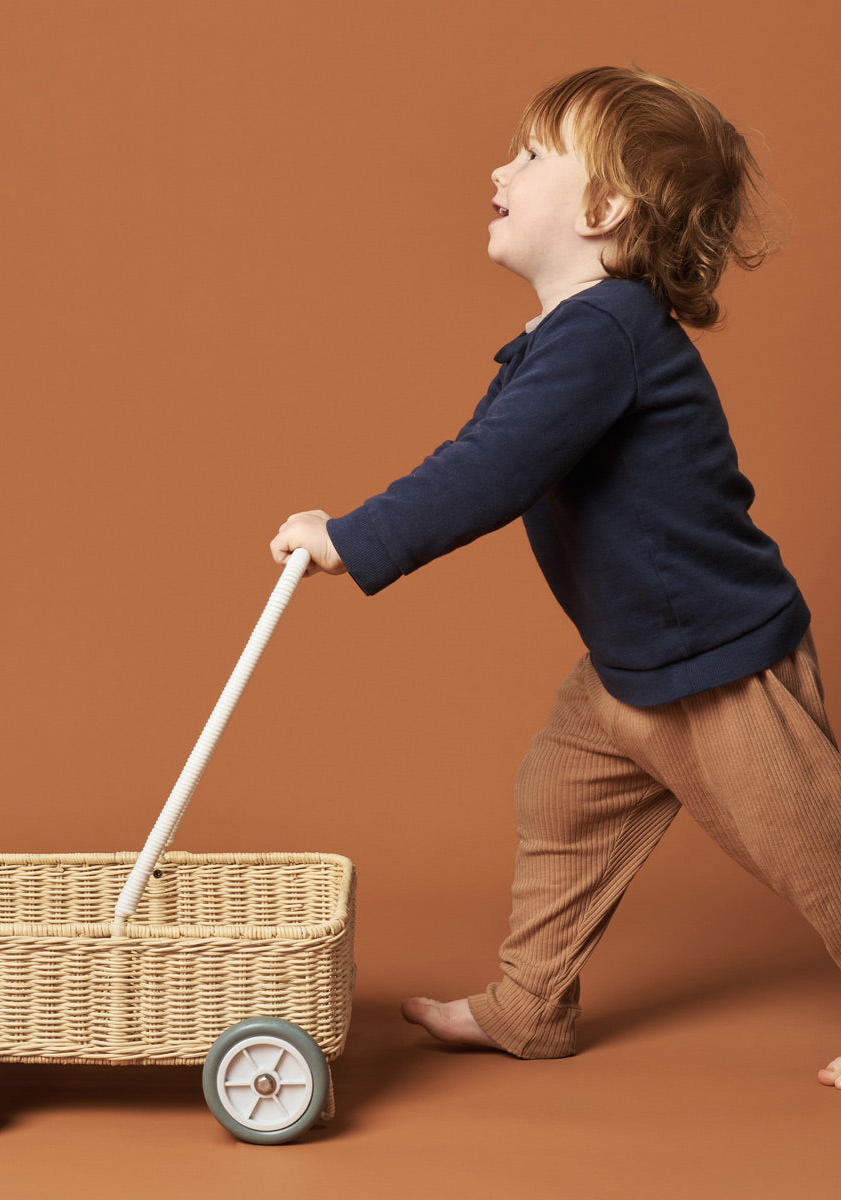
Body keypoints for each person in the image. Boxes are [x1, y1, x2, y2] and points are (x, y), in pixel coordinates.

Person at [269, 66, 841, 1087]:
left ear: (604, 207)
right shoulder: (563, 342)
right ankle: (531, 1005)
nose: (501, 165)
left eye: (532, 153)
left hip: (719, 668)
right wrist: (351, 522)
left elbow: (488, 471)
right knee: (560, 801)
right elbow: (485, 447)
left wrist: (353, 537)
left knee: (814, 843)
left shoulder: (608, 332)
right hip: (629, 668)